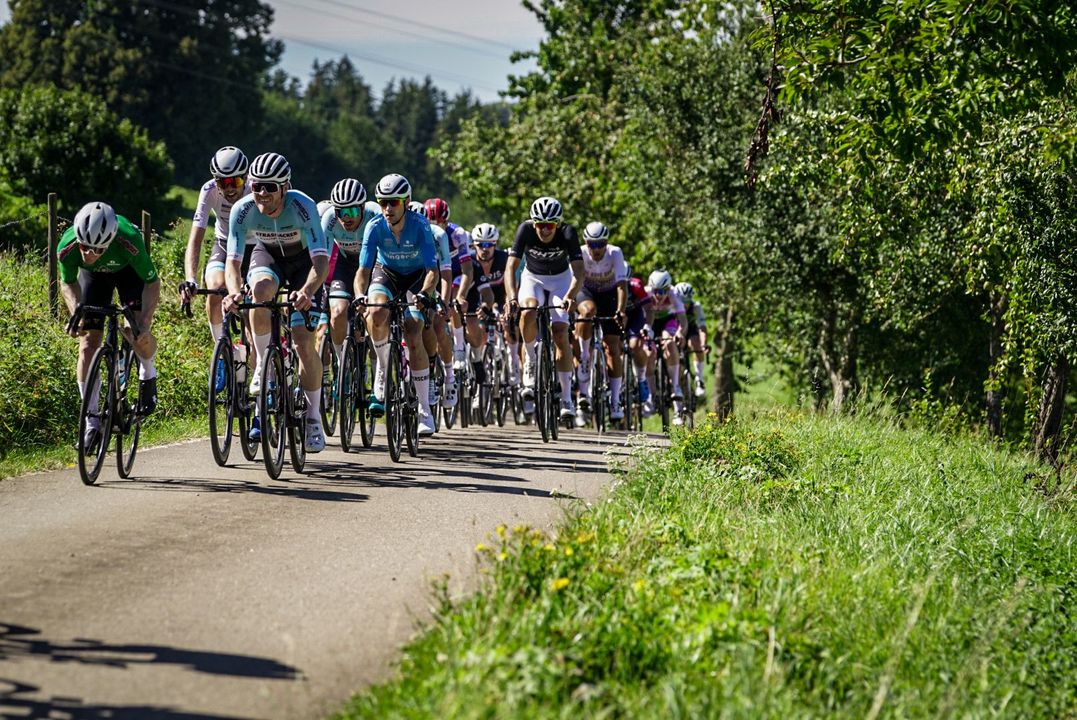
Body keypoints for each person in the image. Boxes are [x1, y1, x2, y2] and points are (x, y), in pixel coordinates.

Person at [221, 152, 330, 452]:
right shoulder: (242, 210)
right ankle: (261, 367)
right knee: (260, 291)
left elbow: (321, 261)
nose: (262, 194)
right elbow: (233, 262)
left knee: (303, 344)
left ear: (285, 187)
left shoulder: (304, 206)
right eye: (256, 186)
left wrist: (308, 290)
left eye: (270, 187)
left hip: (304, 265)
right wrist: (232, 292)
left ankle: (312, 419)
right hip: (268, 255)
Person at [59, 202, 161, 449]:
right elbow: (68, 283)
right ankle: (91, 421)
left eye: (97, 248)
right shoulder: (68, 246)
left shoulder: (129, 240)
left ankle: (148, 373)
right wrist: (76, 313)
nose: (89, 254)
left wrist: (144, 323)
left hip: (128, 274)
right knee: (87, 344)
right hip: (94, 278)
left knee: (135, 333)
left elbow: (152, 283)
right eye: (85, 246)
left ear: (110, 240)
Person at [354, 174, 440, 436]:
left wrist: (425, 293)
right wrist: (360, 294)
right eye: (382, 203)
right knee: (376, 311)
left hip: (416, 278)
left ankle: (425, 409)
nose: (388, 209)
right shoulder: (374, 226)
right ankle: (382, 368)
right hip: (387, 273)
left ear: (407, 202)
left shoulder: (421, 225)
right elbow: (364, 270)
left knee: (414, 328)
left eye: (394, 203)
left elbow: (432, 270)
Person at [504, 196, 585, 422]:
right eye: (540, 225)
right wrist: (511, 297)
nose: (544, 230)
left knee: (560, 331)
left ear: (557, 224)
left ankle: (567, 397)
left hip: (561, 280)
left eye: (549, 225)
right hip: (533, 278)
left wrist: (570, 296)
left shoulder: (568, 233)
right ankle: (530, 362)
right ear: (533, 223)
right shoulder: (525, 230)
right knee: (528, 310)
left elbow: (579, 272)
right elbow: (511, 267)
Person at [179, 146, 251, 390]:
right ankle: (223, 354)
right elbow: (195, 238)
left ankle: (259, 368)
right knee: (215, 289)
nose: (230, 188)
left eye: (236, 181)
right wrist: (190, 278)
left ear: (246, 177)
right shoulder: (209, 190)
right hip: (224, 244)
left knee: (251, 307)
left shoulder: (256, 189)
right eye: (223, 182)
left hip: (255, 247)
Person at [322, 179, 380, 371]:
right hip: (346, 265)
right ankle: (342, 368)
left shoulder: (375, 214)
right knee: (337, 313)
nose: (347, 218)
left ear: (362, 207)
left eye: (353, 212)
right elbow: (322, 259)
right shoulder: (329, 219)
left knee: (372, 316)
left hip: (373, 265)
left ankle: (376, 372)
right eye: (341, 212)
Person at [574, 221, 628, 425]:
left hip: (609, 295)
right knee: (587, 312)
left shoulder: (615, 253)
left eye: (600, 244)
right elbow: (574, 281)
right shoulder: (580, 253)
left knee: (612, 348)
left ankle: (615, 401)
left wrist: (621, 311)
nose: (596, 249)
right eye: (592, 244)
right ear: (586, 242)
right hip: (586, 292)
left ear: (606, 243)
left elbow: (622, 285)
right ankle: (585, 357)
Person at [423, 198, 475, 373]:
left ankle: (459, 348)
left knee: (453, 298)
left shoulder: (458, 235)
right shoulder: (424, 233)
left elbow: (467, 270)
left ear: (445, 221)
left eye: (437, 224)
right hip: (437, 274)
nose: (434, 229)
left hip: (457, 272)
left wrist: (461, 295)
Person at [471, 223, 520, 384]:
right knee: (479, 328)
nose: (485, 249)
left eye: (489, 245)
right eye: (480, 245)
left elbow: (511, 285)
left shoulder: (503, 259)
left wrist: (507, 307)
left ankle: (513, 363)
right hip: (479, 296)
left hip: (500, 294)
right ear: (474, 245)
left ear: (495, 245)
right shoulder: (470, 261)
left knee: (508, 324)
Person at [645, 269, 688, 424]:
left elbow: (683, 320)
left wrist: (680, 333)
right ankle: (651, 394)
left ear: (669, 288)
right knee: (648, 353)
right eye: (656, 291)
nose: (659, 295)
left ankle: (675, 386)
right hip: (650, 322)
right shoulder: (646, 293)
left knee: (669, 342)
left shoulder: (674, 294)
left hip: (668, 321)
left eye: (663, 291)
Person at [675, 281, 709, 399]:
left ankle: (699, 379)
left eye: (687, 301)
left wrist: (703, 344)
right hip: (675, 331)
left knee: (696, 343)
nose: (685, 305)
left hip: (691, 331)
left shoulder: (696, 306)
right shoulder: (672, 306)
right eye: (682, 301)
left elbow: (702, 327)